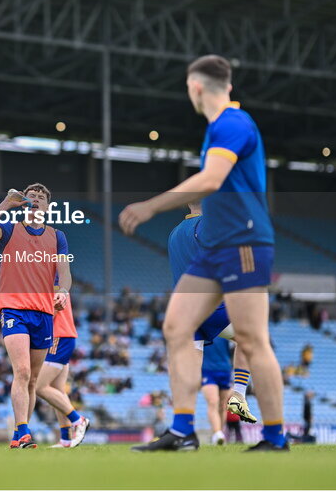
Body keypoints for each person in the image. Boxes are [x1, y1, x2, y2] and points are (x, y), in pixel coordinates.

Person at [121, 55, 285, 452]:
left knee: (252, 338)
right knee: (176, 327)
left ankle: (275, 437)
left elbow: (211, 179)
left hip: (243, 242)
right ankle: (181, 431)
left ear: (195, 88)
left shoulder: (231, 124)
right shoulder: (219, 127)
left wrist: (151, 206)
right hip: (216, 247)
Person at [131, 200, 256, 452]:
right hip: (215, 303)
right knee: (250, 337)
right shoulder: (208, 223)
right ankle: (239, 393)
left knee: (185, 370)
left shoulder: (174, 233)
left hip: (186, 310)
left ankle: (183, 429)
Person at [0, 183, 72, 449]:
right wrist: (6, 204)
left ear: (49, 207)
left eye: (42, 197)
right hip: (14, 308)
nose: (37, 200)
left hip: (44, 313)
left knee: (32, 378)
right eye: (32, 197)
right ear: (24, 202)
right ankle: (24, 431)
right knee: (23, 370)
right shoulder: (10, 230)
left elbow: (64, 273)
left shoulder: (57, 236)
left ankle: (20, 436)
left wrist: (62, 291)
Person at [35, 280, 90, 448]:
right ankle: (66, 439)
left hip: (58, 336)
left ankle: (78, 420)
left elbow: (51, 311)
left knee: (39, 386)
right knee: (57, 390)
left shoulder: (49, 281)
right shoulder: (57, 280)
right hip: (64, 336)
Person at [201, 338, 233, 446]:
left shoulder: (226, 325)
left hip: (225, 369)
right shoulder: (201, 324)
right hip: (206, 369)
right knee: (212, 401)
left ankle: (218, 433)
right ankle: (217, 434)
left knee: (222, 405)